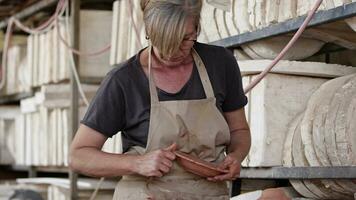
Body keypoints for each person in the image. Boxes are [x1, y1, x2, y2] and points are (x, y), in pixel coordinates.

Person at [69, 0, 251, 199]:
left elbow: (238, 130)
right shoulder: (123, 80)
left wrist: (236, 156)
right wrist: (137, 164)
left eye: (185, 39)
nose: (173, 52)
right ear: (148, 31)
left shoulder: (221, 63)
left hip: (207, 193)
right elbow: (78, 156)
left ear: (197, 27)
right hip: (147, 192)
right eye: (163, 41)